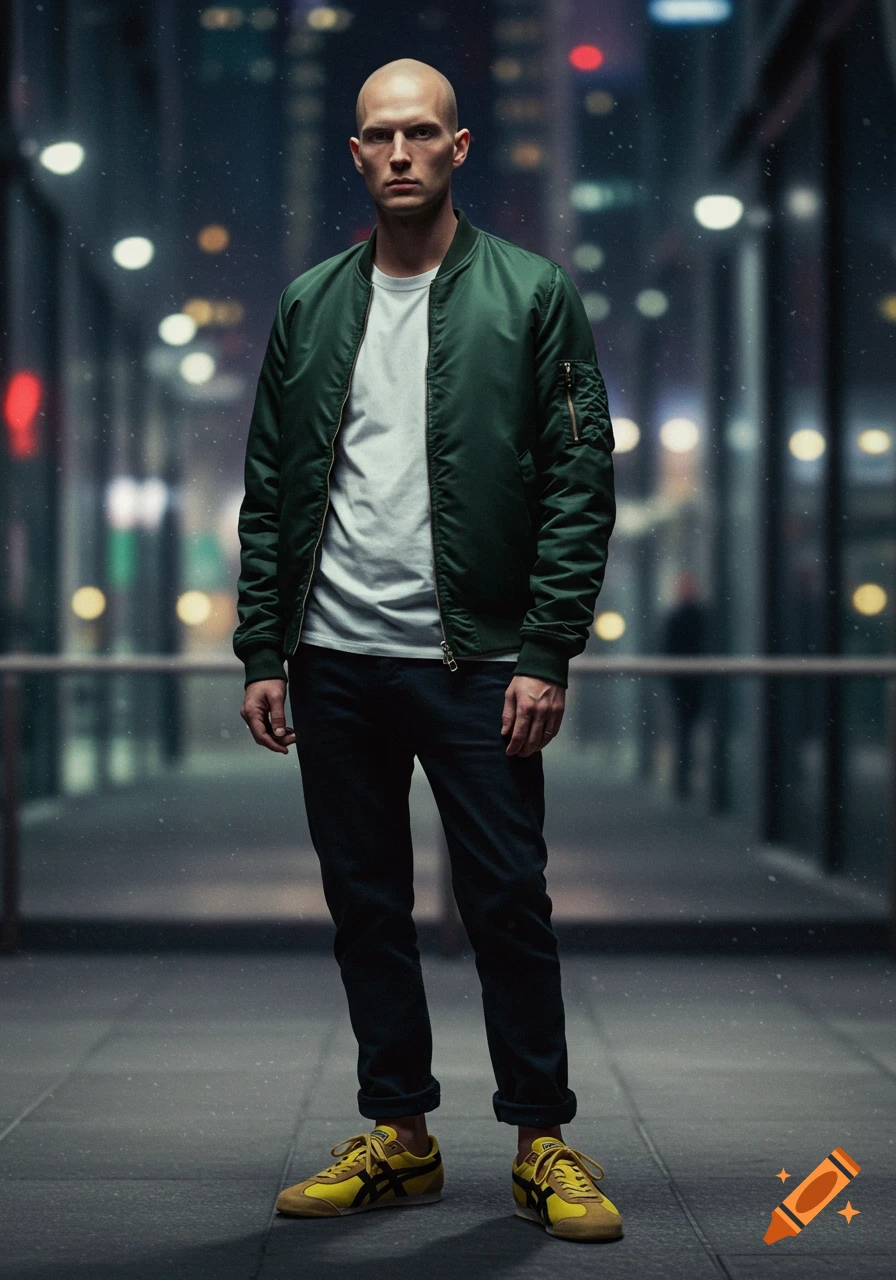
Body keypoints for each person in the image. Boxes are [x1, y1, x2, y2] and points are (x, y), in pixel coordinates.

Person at [233, 58, 620, 1242]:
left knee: (508, 898)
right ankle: (398, 1134)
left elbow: (577, 480)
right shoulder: (309, 304)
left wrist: (546, 649)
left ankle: (539, 1137)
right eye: (376, 136)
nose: (398, 152)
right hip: (334, 657)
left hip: (478, 664)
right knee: (365, 903)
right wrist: (263, 643)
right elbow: (269, 486)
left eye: (419, 133)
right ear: (353, 155)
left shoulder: (530, 292)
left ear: (458, 149)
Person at [660, 573, 708, 799]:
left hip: (692, 683)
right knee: (685, 733)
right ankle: (683, 781)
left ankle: (684, 781)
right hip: (688, 684)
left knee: (686, 732)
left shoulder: (687, 617)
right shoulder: (687, 617)